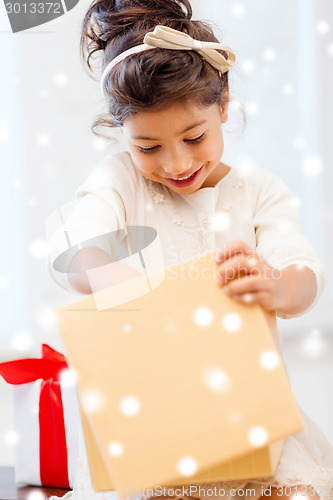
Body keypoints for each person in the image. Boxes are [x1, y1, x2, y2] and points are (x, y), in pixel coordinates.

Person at [47, 0, 333, 499]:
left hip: (250, 421)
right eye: (148, 147)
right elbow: (75, 254)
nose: (176, 163)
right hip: (153, 427)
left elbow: (303, 279)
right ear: (123, 135)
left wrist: (278, 285)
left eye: (195, 137)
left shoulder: (258, 191)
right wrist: (150, 303)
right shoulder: (121, 183)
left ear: (223, 106)